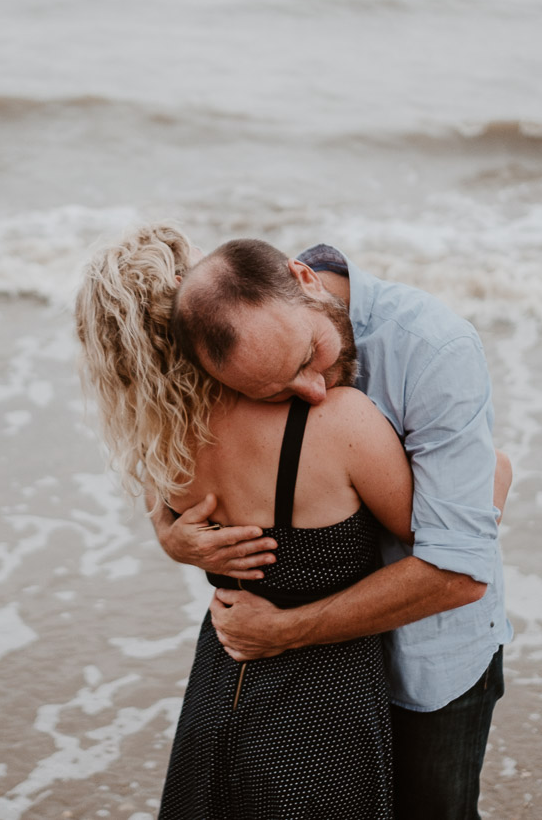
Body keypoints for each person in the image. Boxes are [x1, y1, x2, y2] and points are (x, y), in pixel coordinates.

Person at [75, 223, 428, 818]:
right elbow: (435, 542)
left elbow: (171, 527)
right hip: (323, 708)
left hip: (218, 686)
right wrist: (496, 474)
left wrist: (170, 540)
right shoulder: (339, 421)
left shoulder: (162, 444)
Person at [159, 238, 512, 820]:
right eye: (275, 394)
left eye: (309, 358)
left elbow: (459, 573)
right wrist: (169, 535)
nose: (314, 391)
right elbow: (156, 439)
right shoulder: (235, 330)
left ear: (304, 277)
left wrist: (284, 632)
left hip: (428, 662)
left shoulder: (432, 347)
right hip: (315, 687)